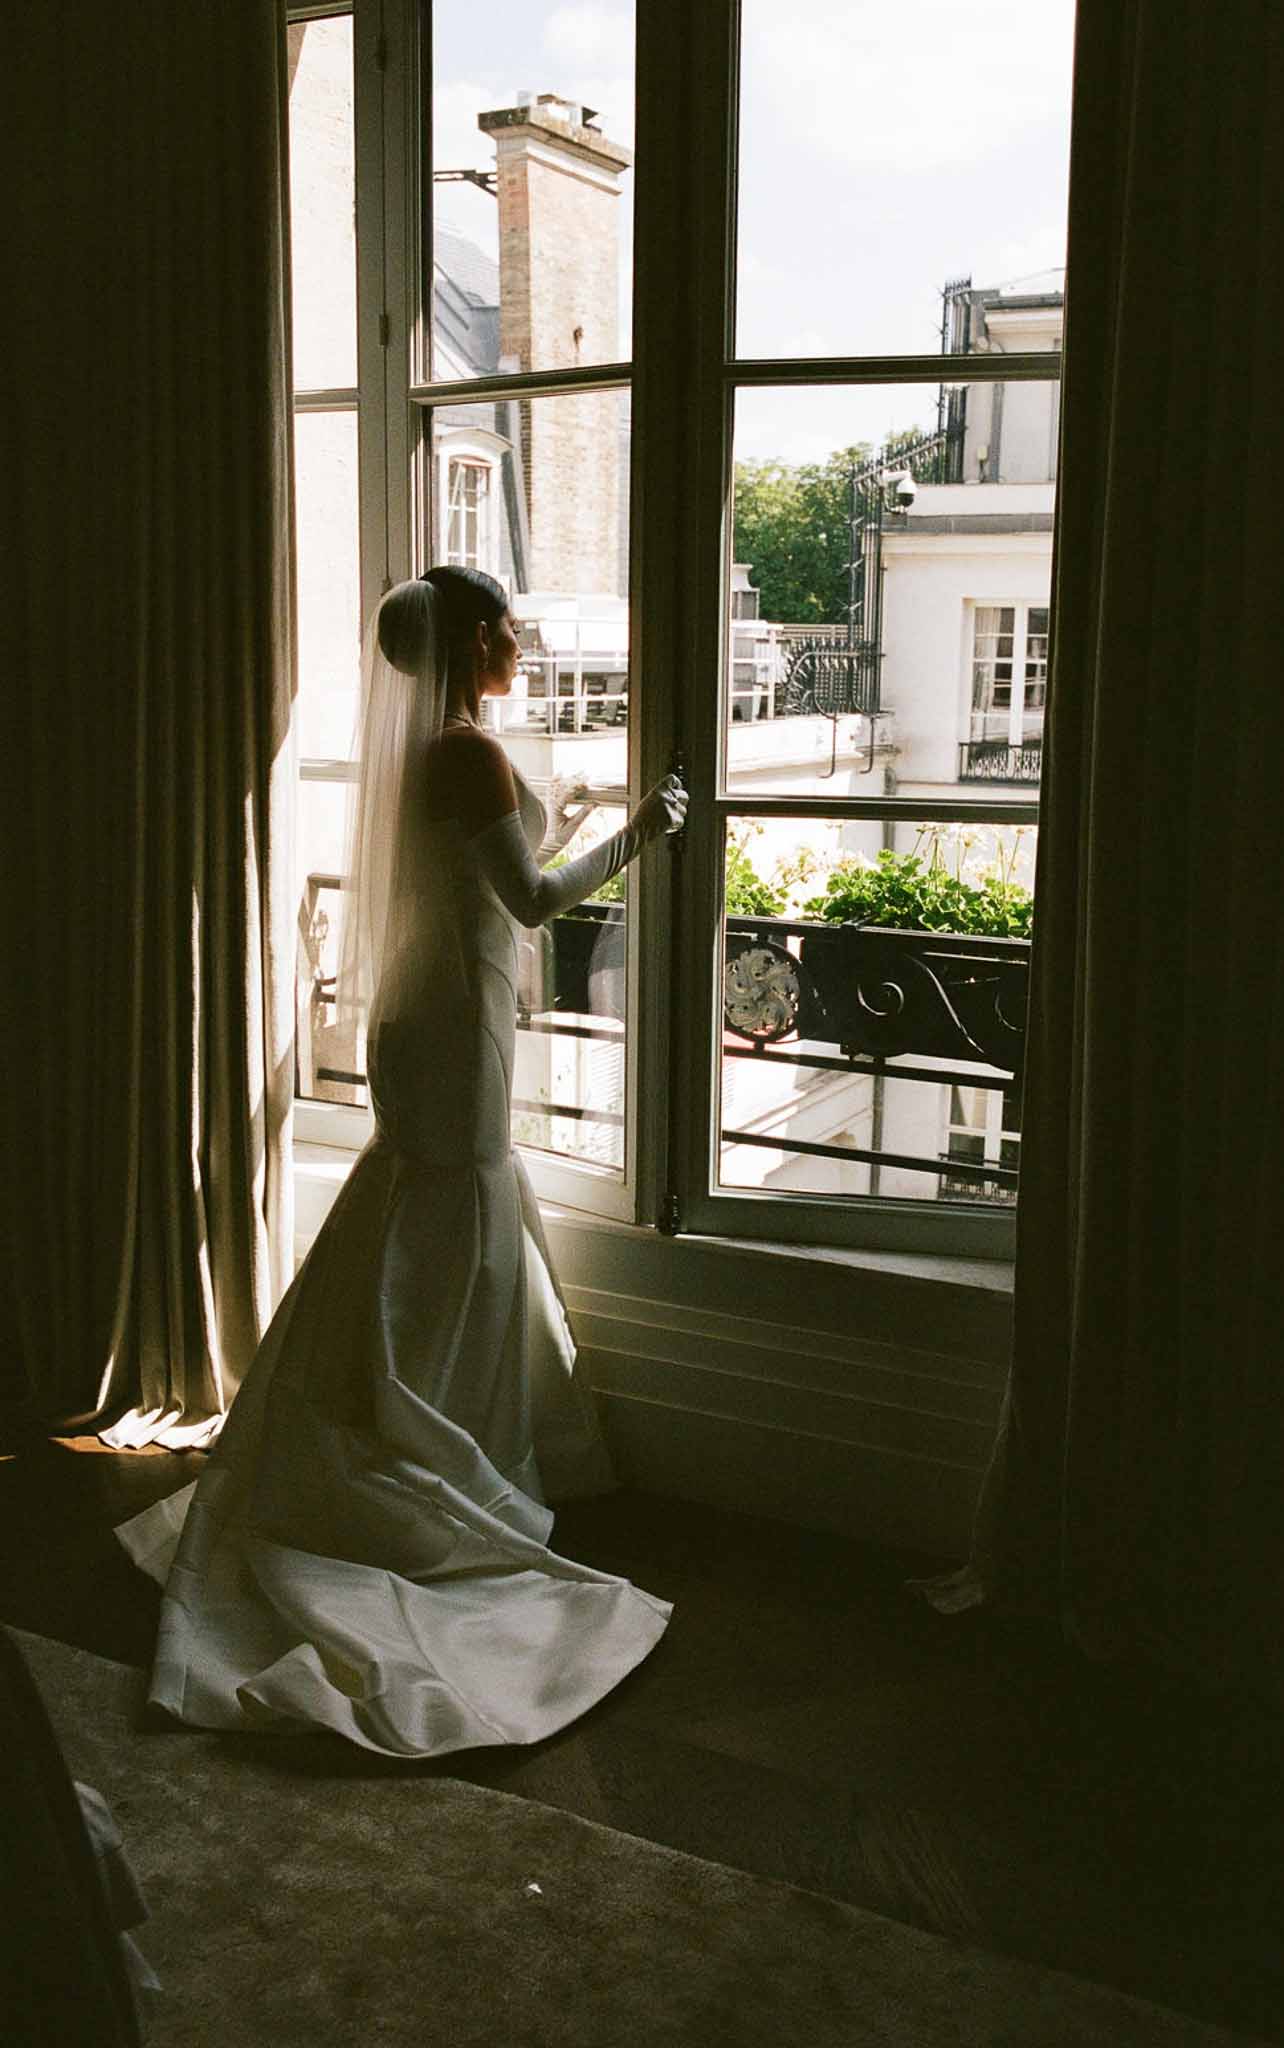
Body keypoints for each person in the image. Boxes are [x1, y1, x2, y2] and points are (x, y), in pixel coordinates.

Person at [115, 566, 687, 1757]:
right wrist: (639, 830)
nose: (520, 642)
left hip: (437, 1006)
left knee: (434, 1217)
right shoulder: (464, 750)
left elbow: (483, 872)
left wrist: (571, 811)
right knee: (451, 1217)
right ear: (474, 638)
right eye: (509, 628)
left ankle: (427, 1423)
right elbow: (528, 905)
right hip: (452, 1018)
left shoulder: (449, 746)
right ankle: (433, 1447)